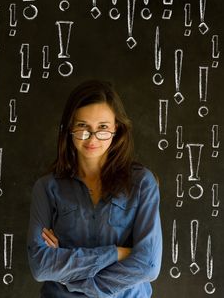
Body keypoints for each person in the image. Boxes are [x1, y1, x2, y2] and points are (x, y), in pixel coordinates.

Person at [27, 79, 162, 297]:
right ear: (70, 128)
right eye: (82, 126)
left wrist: (72, 278)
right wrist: (116, 253)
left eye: (102, 128)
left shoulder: (142, 183)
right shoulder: (46, 188)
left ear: (116, 129)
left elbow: (148, 265)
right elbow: (41, 267)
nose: (92, 138)